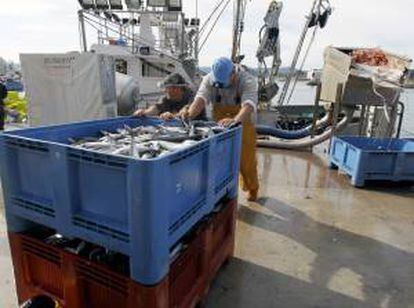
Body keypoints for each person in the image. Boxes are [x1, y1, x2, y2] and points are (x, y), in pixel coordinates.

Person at [181, 57, 259, 201]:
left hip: (244, 123)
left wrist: (235, 120)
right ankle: (223, 191)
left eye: (224, 83)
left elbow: (248, 105)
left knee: (246, 161)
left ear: (233, 74)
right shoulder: (209, 79)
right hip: (220, 125)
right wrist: (189, 114)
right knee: (220, 160)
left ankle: (252, 188)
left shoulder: (247, 80)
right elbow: (201, 98)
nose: (221, 87)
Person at [133, 73, 206, 121]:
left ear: (176, 89)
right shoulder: (166, 98)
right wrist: (144, 112)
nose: (165, 90)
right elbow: (156, 108)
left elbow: (186, 112)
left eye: (168, 88)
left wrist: (172, 116)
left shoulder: (193, 97)